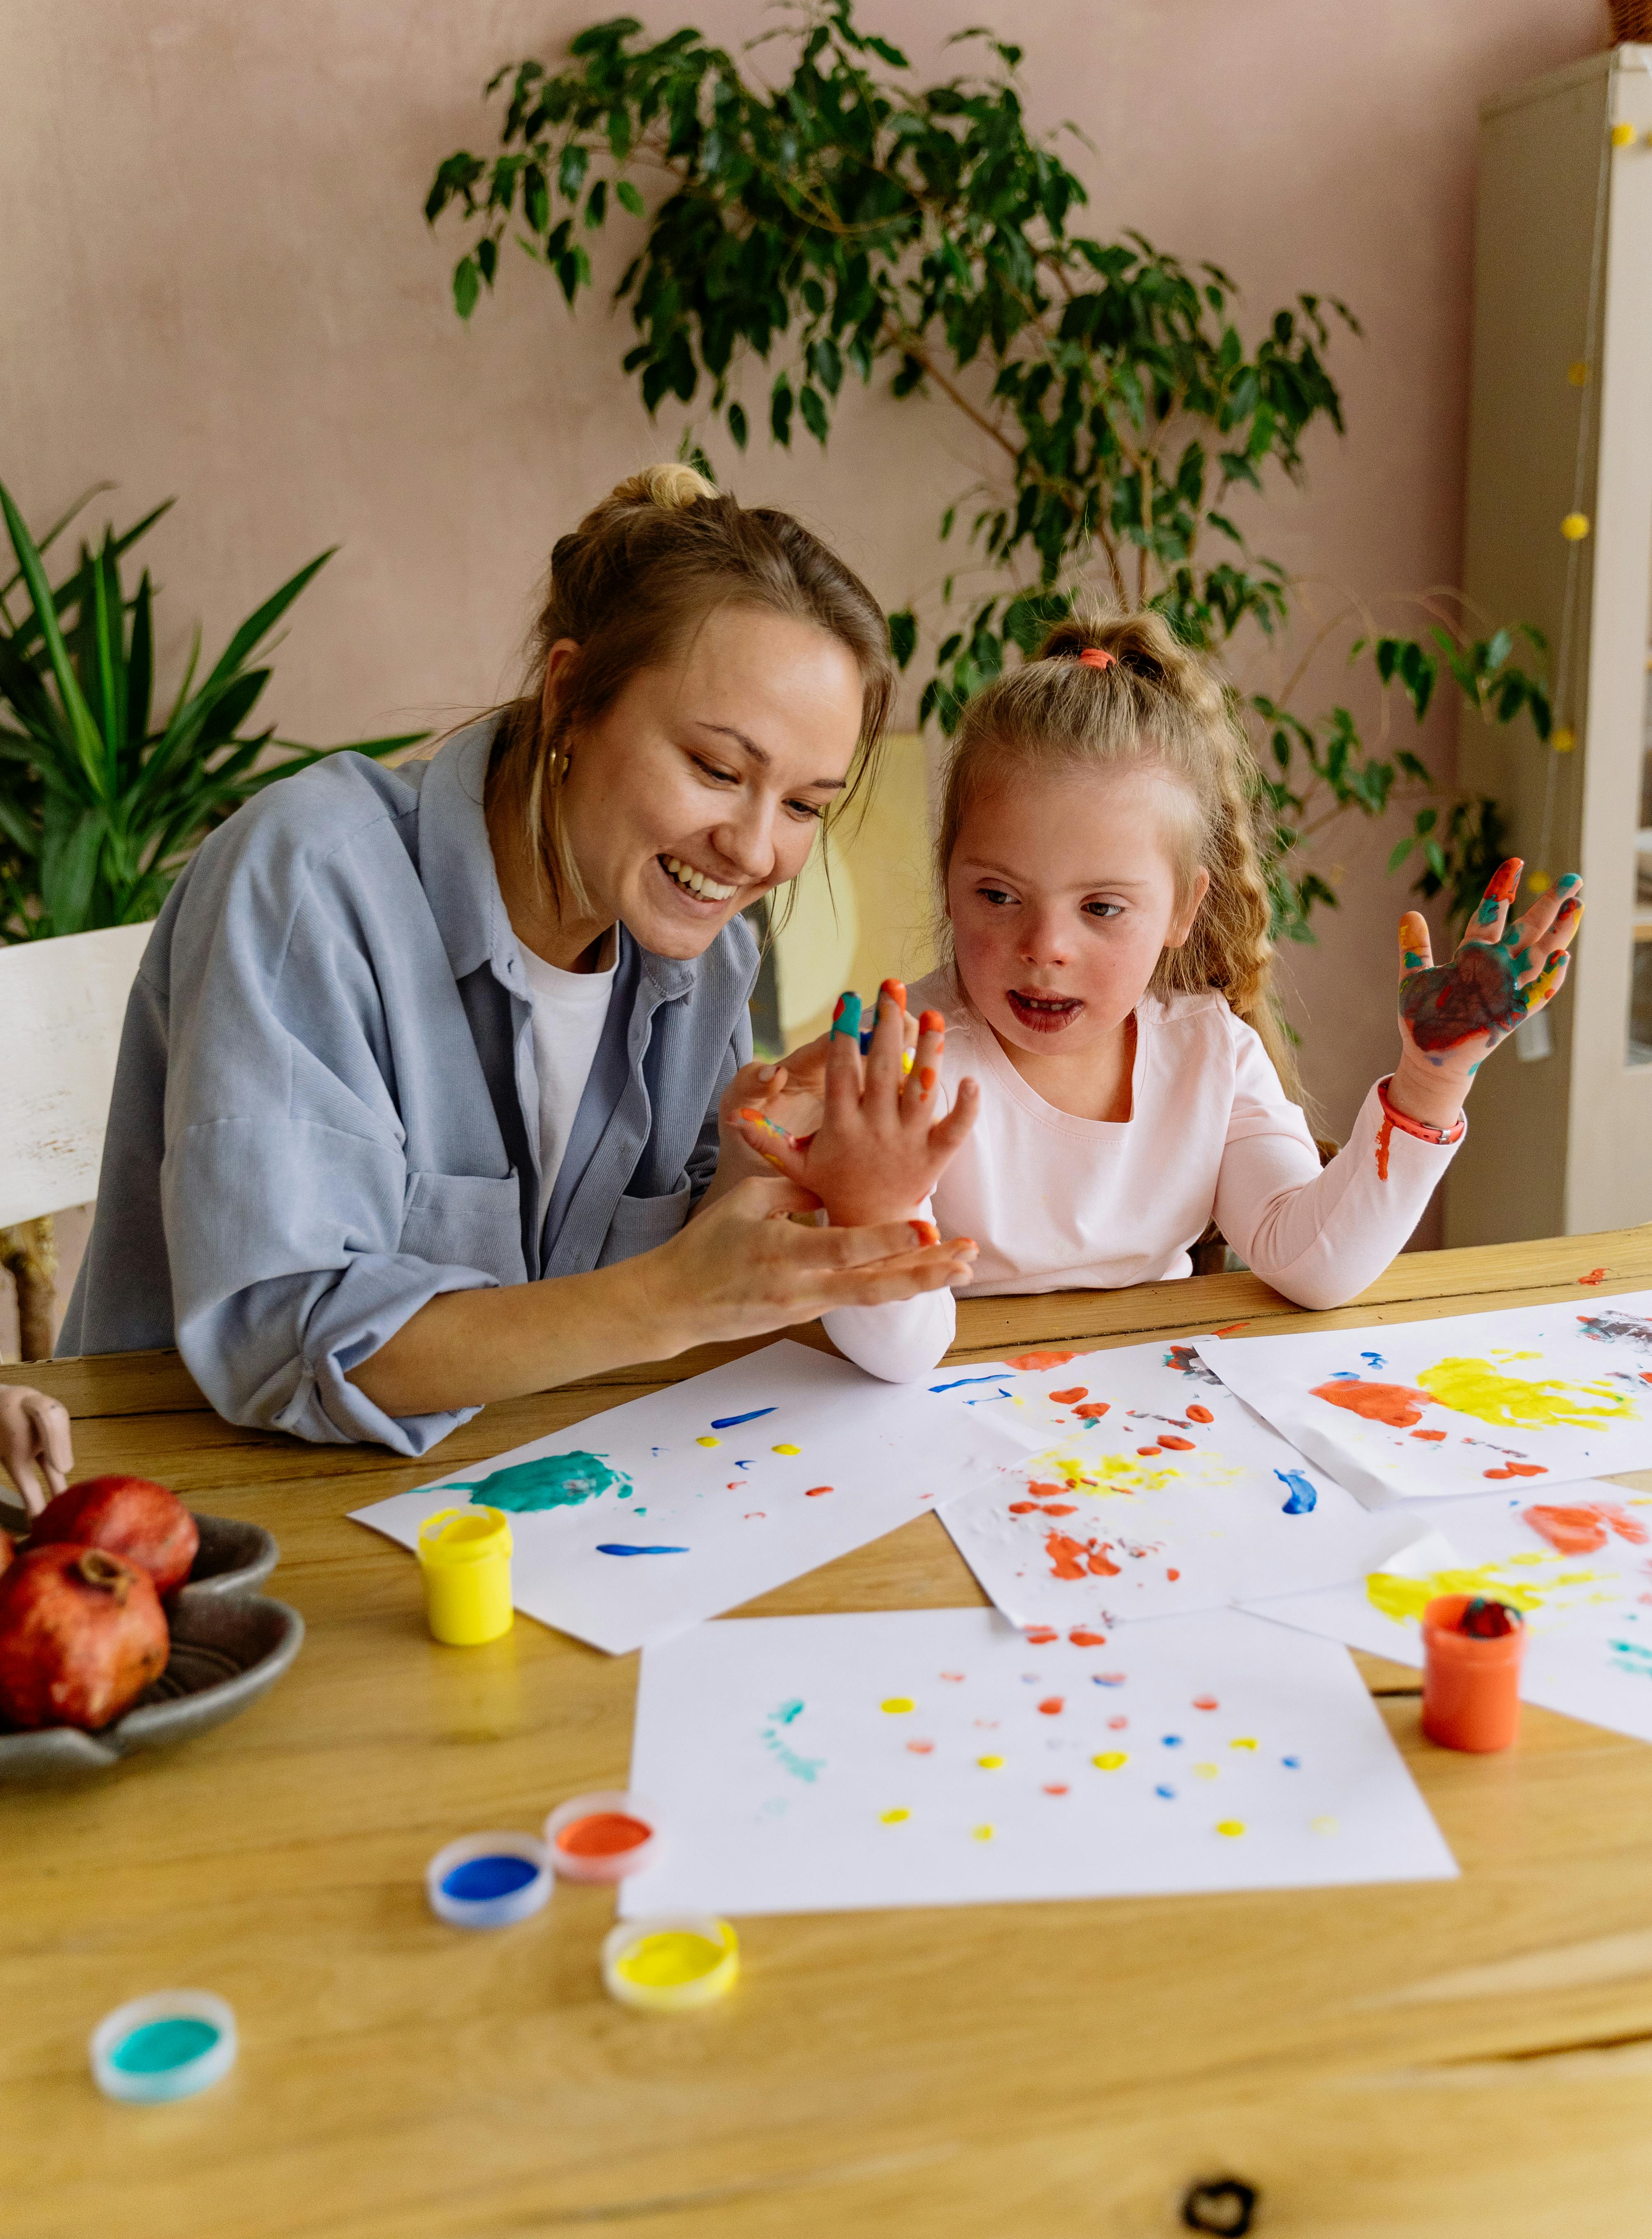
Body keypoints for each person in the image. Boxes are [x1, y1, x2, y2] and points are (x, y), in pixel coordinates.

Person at [57, 467, 978, 1453]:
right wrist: (673, 1296)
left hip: (523, 1505)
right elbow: (291, 1347)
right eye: (717, 770)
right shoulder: (311, 879)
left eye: (804, 805)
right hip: (207, 1516)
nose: (755, 853)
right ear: (571, 695)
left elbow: (629, 1297)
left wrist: (761, 1175)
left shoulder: (702, 956)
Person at [742, 610, 1583, 1382]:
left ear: (1183, 909)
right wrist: (869, 1204)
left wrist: (1429, 1083)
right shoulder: (900, 1070)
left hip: (1151, 1442)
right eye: (998, 895)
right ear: (948, 881)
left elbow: (1309, 1263)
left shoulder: (1210, 1058)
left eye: (1101, 908)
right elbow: (899, 1352)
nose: (1045, 947)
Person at [0, 1384, 71, 1515]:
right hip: (25, 1393)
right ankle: (65, 1506)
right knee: (53, 1470)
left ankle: (36, 1515)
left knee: (23, 1472)